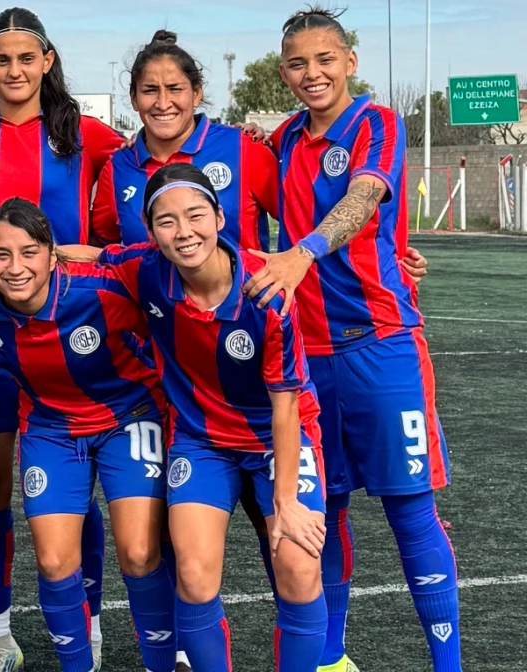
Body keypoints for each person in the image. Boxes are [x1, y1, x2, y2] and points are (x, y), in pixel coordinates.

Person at [245, 8, 457, 671]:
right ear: (284, 72)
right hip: (304, 362)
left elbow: (365, 198)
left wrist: (304, 252)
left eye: (325, 60)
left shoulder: (377, 123)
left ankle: (448, 666)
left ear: (350, 62)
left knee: (409, 510)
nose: (313, 74)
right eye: (299, 64)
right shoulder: (279, 143)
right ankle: (332, 661)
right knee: (323, 511)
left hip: (381, 345)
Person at [0, 10, 126, 667]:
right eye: (0, 60)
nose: (13, 71)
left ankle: (91, 632)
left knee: (75, 493)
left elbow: (135, 212)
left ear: (46, 59)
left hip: (67, 336)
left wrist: (80, 253)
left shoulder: (88, 133)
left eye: (25, 58)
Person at [97, 163, 329, 672]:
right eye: (166, 222)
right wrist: (3, 263)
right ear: (150, 230)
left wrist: (286, 501)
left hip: (277, 439)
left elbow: (285, 407)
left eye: (196, 215)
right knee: (195, 575)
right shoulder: (144, 270)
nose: (184, 232)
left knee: (297, 566)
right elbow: (88, 256)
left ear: (220, 216)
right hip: (202, 442)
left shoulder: (266, 293)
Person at [0, 198, 175, 672]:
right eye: (1, 255)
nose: (15, 268)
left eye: (29, 252)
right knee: (56, 563)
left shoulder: (103, 292)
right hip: (51, 429)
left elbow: (165, 297)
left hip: (128, 418)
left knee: (140, 553)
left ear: (53, 254)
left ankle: (164, 660)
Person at [91, 30, 278, 252]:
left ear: (196, 94)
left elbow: (299, 225)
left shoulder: (243, 147)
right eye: (150, 90)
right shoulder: (118, 167)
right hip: (149, 289)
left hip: (243, 288)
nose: (162, 103)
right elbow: (103, 246)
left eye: (174, 89)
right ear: (134, 98)